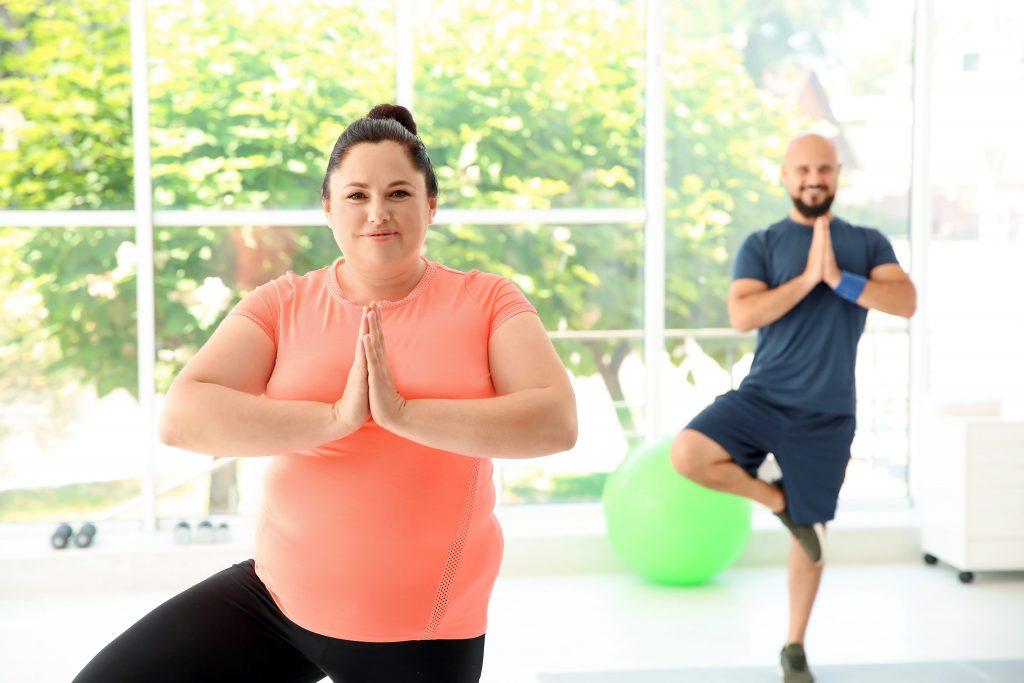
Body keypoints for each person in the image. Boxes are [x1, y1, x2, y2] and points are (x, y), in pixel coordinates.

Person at [72, 104, 578, 683]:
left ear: (430, 205)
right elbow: (183, 417)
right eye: (357, 195)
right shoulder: (282, 303)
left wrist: (405, 414)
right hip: (278, 601)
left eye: (399, 194)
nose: (377, 212)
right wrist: (335, 418)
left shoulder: (487, 301)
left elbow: (555, 422)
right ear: (328, 209)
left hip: (419, 631)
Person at [669, 134, 916, 683]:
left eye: (824, 168)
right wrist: (808, 279)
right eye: (802, 168)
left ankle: (794, 648)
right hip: (762, 397)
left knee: (813, 538)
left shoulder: (868, 242)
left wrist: (839, 279)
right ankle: (775, 499)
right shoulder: (762, 243)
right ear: (785, 175)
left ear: (837, 174)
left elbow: (905, 301)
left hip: (827, 413)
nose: (814, 177)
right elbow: (742, 315)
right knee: (687, 453)